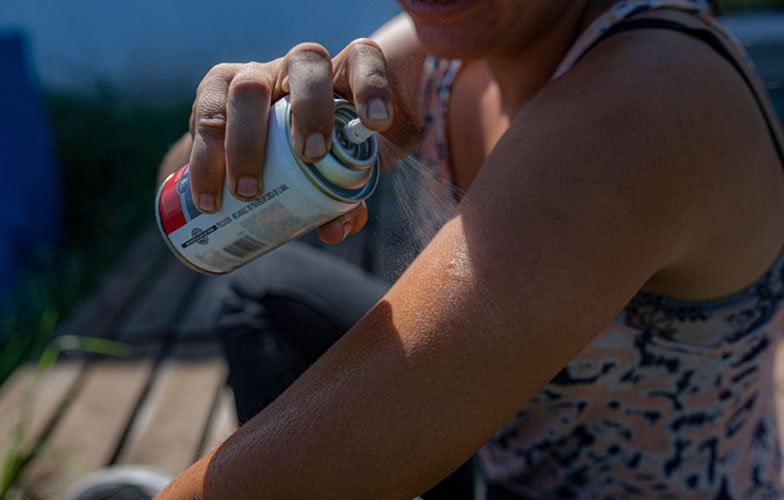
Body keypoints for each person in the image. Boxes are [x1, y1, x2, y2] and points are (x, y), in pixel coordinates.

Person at [143, 0, 784, 498]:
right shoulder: (455, 40)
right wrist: (236, 129)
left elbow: (338, 445)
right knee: (262, 290)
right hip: (497, 461)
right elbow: (181, 210)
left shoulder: (644, 102)